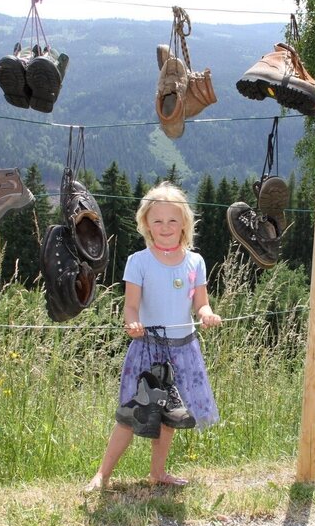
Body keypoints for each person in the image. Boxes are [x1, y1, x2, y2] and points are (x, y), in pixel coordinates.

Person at [85, 182, 222, 491]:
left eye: (172, 220)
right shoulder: (139, 261)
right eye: (157, 220)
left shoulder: (195, 262)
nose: (165, 227)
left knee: (169, 415)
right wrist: (132, 324)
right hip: (147, 350)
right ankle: (102, 474)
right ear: (145, 223)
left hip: (183, 350)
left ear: (184, 222)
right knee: (131, 414)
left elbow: (200, 302)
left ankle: (158, 472)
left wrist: (206, 314)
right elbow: (131, 307)